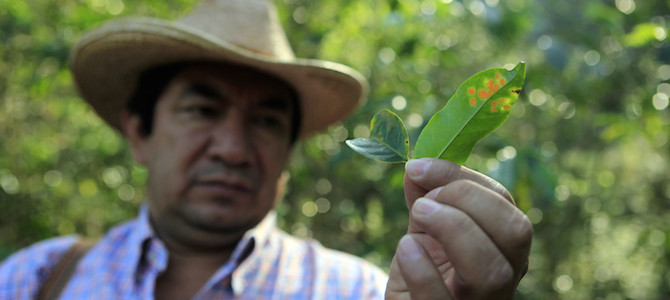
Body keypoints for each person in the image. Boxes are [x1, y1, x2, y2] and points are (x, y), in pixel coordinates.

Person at [0, 0, 533, 299]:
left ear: (288, 151)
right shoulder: (35, 279)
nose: (232, 149)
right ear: (139, 133)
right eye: (202, 110)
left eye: (266, 121)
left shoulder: (361, 293)